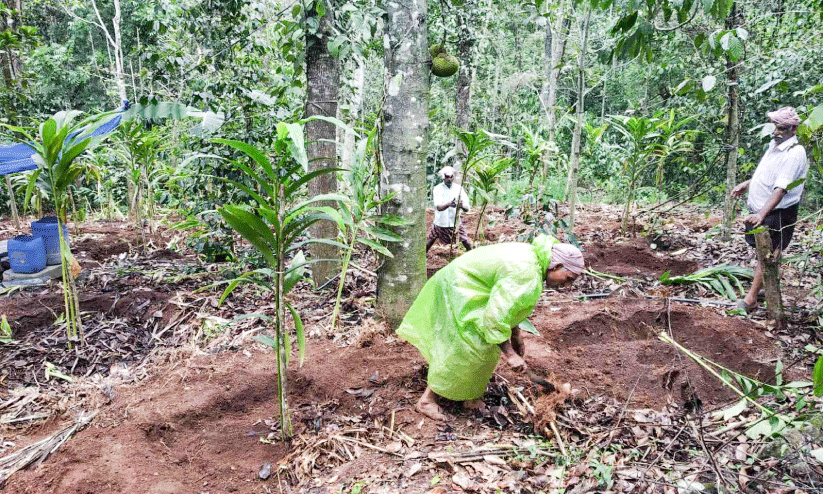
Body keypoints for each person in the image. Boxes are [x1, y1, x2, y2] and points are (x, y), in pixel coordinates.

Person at [397, 235, 585, 421]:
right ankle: (427, 400)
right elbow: (496, 317)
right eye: (568, 278)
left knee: (485, 344)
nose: (567, 285)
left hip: (468, 284)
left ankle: (469, 397)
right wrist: (511, 355)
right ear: (557, 266)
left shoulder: (535, 258)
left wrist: (516, 335)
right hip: (459, 286)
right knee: (470, 345)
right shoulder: (527, 274)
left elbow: (509, 306)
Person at [731, 106, 808, 312]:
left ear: (793, 129)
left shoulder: (794, 152)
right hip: (764, 209)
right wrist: (748, 183)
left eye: (781, 128)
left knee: (768, 253)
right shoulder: (775, 145)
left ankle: (751, 299)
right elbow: (768, 173)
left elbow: (781, 188)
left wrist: (761, 214)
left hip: (777, 212)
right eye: (775, 126)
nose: (776, 131)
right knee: (764, 251)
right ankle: (765, 285)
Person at [426, 165, 472, 252]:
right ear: (443, 177)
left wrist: (461, 206)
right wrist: (449, 204)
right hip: (441, 222)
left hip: (456, 222)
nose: (449, 179)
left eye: (451, 177)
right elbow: (438, 207)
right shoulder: (438, 189)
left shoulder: (459, 188)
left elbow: (467, 208)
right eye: (447, 177)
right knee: (430, 240)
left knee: (465, 241)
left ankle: (472, 257)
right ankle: (422, 257)